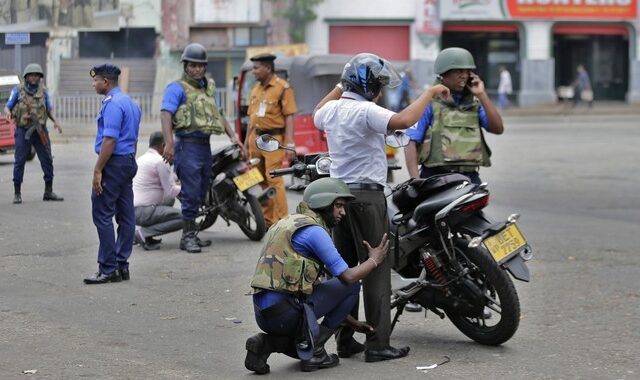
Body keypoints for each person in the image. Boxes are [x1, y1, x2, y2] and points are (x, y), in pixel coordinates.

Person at [312, 52, 450, 362]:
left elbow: (317, 110)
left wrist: (340, 85)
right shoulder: (366, 111)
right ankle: (377, 344)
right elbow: (403, 121)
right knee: (376, 268)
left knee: (345, 269)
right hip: (366, 197)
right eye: (379, 85)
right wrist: (428, 92)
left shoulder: (332, 109)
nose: (381, 91)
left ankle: (345, 339)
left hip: (337, 199)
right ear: (369, 86)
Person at [245, 177, 389, 374]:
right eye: (338, 205)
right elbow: (348, 277)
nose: (343, 212)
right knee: (352, 286)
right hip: (286, 314)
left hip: (264, 315)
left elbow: (319, 292)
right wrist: (374, 260)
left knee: (301, 347)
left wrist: (352, 323)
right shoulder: (315, 231)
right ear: (323, 202)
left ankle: (264, 343)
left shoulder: (288, 223)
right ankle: (317, 351)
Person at [160, 43, 244, 253]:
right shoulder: (176, 88)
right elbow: (165, 114)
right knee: (190, 193)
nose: (197, 69)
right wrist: (169, 143)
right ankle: (186, 237)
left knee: (201, 191)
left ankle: (193, 234)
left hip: (204, 147)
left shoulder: (207, 89)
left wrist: (234, 137)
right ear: (186, 66)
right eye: (192, 65)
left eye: (200, 66)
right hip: (186, 147)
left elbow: (219, 114)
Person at [404, 47, 504, 185]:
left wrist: (482, 95)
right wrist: (415, 181)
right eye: (458, 71)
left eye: (466, 71)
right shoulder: (429, 103)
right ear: (443, 75)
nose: (463, 76)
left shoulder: (474, 104)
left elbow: (497, 129)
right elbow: (410, 141)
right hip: (435, 176)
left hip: (469, 177)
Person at [84, 64, 141, 285]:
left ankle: (108, 268)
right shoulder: (130, 103)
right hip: (127, 161)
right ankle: (121, 265)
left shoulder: (113, 104)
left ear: (105, 82)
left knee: (102, 214)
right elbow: (134, 139)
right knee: (126, 216)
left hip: (113, 163)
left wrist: (98, 169)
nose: (93, 84)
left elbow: (110, 140)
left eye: (96, 80)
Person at [245, 53, 298, 228]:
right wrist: (245, 144)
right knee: (259, 179)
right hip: (255, 138)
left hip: (272, 139)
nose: (253, 72)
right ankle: (267, 220)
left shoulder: (283, 88)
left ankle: (282, 221)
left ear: (267, 68)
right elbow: (251, 119)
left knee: (274, 179)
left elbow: (289, 117)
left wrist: (290, 144)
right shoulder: (255, 89)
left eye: (256, 68)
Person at [4, 62, 64, 204]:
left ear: (40, 77)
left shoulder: (44, 92)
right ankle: (17, 192)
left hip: (40, 130)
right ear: (26, 76)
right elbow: (8, 107)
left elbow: (49, 110)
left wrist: (56, 122)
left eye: (36, 75)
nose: (34, 77)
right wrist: (7, 114)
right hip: (23, 129)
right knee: (19, 161)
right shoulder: (18, 91)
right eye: (31, 75)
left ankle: (48, 191)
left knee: (47, 159)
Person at [133, 131, 182, 251]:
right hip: (143, 211)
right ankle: (144, 233)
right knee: (185, 217)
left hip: (134, 211)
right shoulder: (160, 161)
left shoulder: (142, 158)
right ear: (163, 146)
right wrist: (189, 189)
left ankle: (147, 236)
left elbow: (167, 184)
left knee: (168, 200)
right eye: (171, 146)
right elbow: (171, 190)